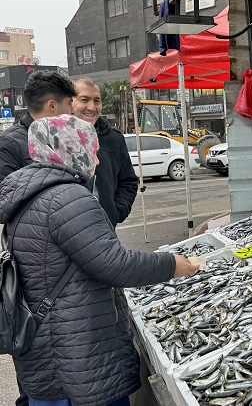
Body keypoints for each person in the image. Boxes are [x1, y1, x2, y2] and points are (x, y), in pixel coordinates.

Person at [0, 115, 202, 406]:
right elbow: (113, 263)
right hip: (78, 357)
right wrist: (173, 264)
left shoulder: (30, 195)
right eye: (91, 150)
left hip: (47, 351)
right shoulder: (67, 197)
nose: (96, 161)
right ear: (71, 148)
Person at [72, 77, 138, 227]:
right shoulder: (56, 138)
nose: (92, 107)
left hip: (106, 230)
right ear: (70, 102)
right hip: (68, 233)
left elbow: (128, 181)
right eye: (84, 99)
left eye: (97, 101)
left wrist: (115, 212)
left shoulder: (114, 138)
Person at [0, 71, 76, 182]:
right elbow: (7, 195)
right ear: (52, 105)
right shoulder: (9, 145)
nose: (73, 111)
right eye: (69, 103)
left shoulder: (63, 138)